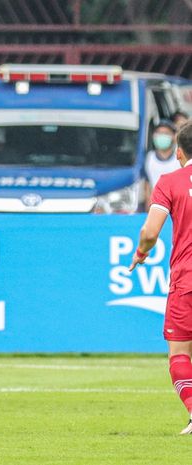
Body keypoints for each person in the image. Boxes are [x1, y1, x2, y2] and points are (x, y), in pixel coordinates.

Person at [129, 121, 192, 434]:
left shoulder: (169, 181)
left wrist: (141, 253)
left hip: (186, 279)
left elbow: (150, 232)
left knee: (180, 352)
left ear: (178, 151)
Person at [144, 120, 179, 202]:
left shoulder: (179, 159)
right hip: (156, 206)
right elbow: (146, 185)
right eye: (159, 133)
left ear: (174, 136)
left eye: (166, 133)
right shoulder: (149, 158)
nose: (162, 136)